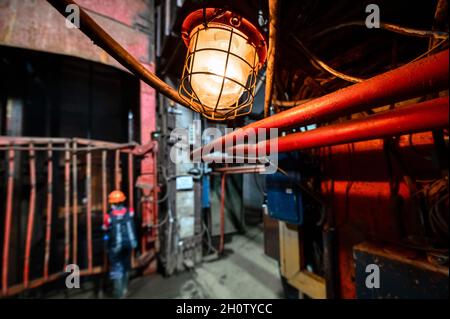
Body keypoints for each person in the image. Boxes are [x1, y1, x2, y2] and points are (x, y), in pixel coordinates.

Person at [103, 190, 137, 298]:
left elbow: (105, 230)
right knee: (126, 265)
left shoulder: (108, 217)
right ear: (123, 201)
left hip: (115, 247)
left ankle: (118, 293)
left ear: (112, 203)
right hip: (128, 244)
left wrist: (105, 241)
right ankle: (125, 289)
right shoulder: (130, 211)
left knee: (116, 268)